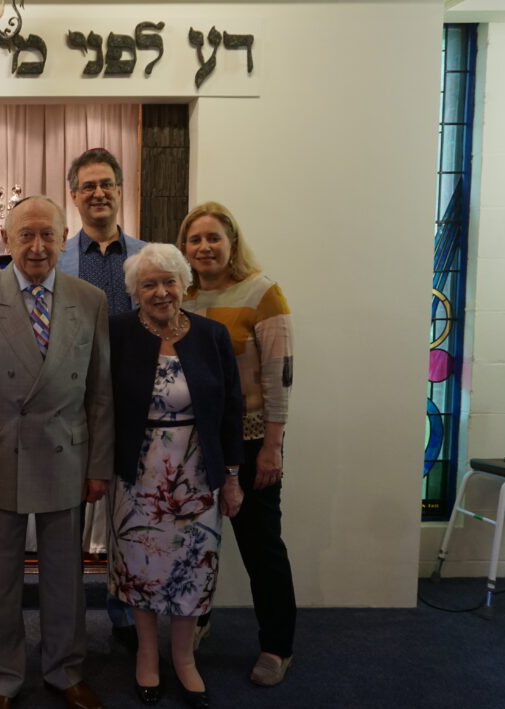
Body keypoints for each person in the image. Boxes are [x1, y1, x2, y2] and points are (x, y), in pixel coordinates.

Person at [0, 195, 113, 709]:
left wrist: (99, 465)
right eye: (27, 235)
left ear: (64, 240)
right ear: (7, 239)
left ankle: (65, 670)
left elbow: (100, 391)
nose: (38, 246)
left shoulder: (89, 300)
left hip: (66, 453)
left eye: (48, 235)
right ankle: (0, 677)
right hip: (0, 454)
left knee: (65, 575)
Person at [107, 243, 243, 708]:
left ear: (184, 285)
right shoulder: (118, 332)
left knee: (194, 566)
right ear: (135, 292)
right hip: (138, 475)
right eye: (149, 284)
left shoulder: (212, 335)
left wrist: (231, 475)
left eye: (169, 281)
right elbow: (101, 404)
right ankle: (147, 653)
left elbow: (232, 409)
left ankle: (184, 659)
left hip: (197, 472)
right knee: (142, 564)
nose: (161, 292)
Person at [176, 201, 296, 687]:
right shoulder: (180, 296)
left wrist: (272, 446)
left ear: (232, 243)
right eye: (195, 240)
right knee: (195, 546)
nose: (204, 247)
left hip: (248, 445)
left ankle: (277, 646)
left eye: (213, 238)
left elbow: (279, 378)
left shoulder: (263, 293)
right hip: (192, 445)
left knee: (261, 547)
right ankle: (196, 623)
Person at [61, 147, 146, 651]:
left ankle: (127, 616)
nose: (98, 193)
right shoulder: (58, 259)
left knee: (131, 518)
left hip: (137, 404)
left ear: (120, 190)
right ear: (74, 196)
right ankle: (67, 624)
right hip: (74, 404)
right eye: (88, 185)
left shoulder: (149, 255)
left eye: (107, 184)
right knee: (68, 519)